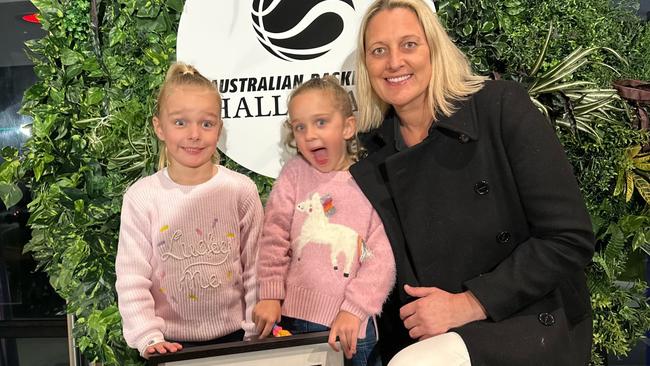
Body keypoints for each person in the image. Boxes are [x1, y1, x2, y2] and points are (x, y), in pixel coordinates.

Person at [350, 1, 596, 365]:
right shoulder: (372, 159)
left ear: (435, 49)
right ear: (366, 65)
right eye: (378, 50)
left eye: (409, 44)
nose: (394, 62)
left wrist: (470, 303)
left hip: (529, 319)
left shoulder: (498, 107)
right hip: (434, 333)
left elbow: (569, 239)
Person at [115, 63, 263, 359]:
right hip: (170, 346)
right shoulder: (141, 198)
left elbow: (256, 267)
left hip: (238, 341)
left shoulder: (240, 190)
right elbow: (132, 278)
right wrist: (147, 336)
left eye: (206, 124)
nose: (194, 134)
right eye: (180, 122)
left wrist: (254, 332)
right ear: (160, 127)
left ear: (219, 128)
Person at [253, 76, 396, 366]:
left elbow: (381, 256)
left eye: (320, 122)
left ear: (347, 127)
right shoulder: (294, 175)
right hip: (294, 320)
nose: (309, 135)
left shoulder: (371, 180)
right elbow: (274, 237)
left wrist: (354, 309)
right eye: (300, 127)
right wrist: (269, 294)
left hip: (353, 328)